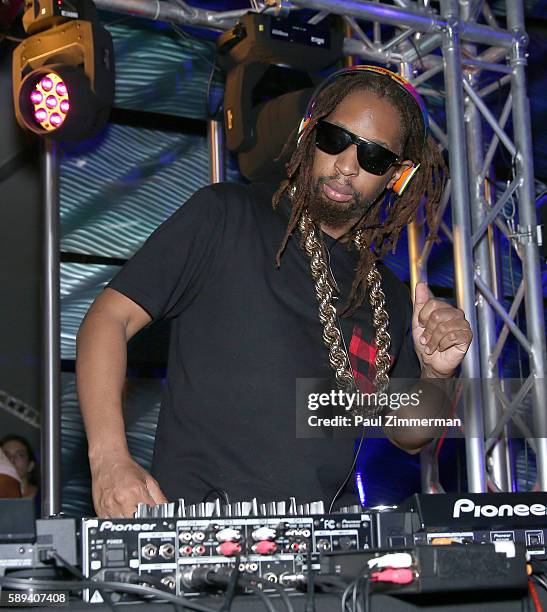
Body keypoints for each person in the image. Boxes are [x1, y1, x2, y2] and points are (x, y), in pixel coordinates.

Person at [77, 65, 472, 519]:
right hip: (201, 532)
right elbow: (107, 319)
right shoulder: (226, 216)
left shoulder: (390, 296)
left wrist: (437, 373)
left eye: (373, 157)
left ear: (397, 175)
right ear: (308, 133)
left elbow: (408, 433)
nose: (346, 165)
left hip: (321, 551)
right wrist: (108, 460)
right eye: (334, 139)